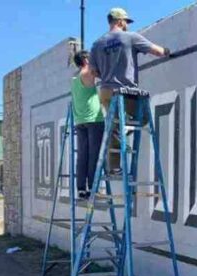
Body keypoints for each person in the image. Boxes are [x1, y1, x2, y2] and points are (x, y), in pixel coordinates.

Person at [89, 7, 171, 173]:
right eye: (126, 21)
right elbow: (157, 51)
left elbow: (92, 72)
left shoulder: (97, 44)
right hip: (125, 92)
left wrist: (107, 73)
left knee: (113, 127)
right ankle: (127, 129)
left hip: (105, 91)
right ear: (119, 21)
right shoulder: (130, 38)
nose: (127, 24)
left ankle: (114, 167)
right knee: (144, 117)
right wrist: (168, 52)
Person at [71, 50, 105, 199]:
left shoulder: (74, 78)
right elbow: (105, 74)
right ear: (85, 59)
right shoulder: (88, 72)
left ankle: (81, 189)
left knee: (82, 156)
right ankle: (93, 187)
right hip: (93, 120)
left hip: (80, 121)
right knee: (94, 156)